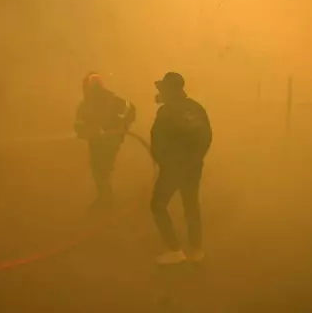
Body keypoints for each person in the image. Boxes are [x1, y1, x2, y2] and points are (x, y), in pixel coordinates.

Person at [150, 72, 212, 264]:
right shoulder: (195, 108)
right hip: (193, 167)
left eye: (162, 89)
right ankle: (196, 250)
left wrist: (165, 163)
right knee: (191, 205)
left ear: (170, 90)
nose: (159, 92)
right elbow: (206, 137)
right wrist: (195, 160)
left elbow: (158, 142)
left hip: (172, 169)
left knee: (157, 205)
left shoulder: (166, 112)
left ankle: (174, 249)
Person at [74, 72, 136, 209]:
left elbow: (130, 110)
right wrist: (86, 131)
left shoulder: (112, 100)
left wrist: (121, 124)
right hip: (96, 141)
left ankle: (106, 199)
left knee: (102, 168)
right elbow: (78, 124)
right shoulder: (85, 104)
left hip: (111, 140)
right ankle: (105, 197)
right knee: (98, 169)